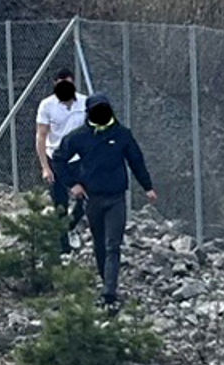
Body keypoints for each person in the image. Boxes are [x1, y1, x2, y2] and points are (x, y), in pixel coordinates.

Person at [53, 94, 156, 311]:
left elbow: (136, 160)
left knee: (113, 245)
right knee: (100, 244)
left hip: (116, 198)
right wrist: (73, 184)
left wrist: (147, 187)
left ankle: (109, 292)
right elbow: (58, 159)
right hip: (92, 199)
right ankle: (105, 282)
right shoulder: (79, 137)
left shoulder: (121, 135)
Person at [35, 68, 87, 252]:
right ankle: (63, 248)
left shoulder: (84, 102)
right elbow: (41, 136)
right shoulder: (47, 106)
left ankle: (71, 227)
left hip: (78, 159)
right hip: (55, 158)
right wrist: (45, 167)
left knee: (85, 199)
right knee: (60, 204)